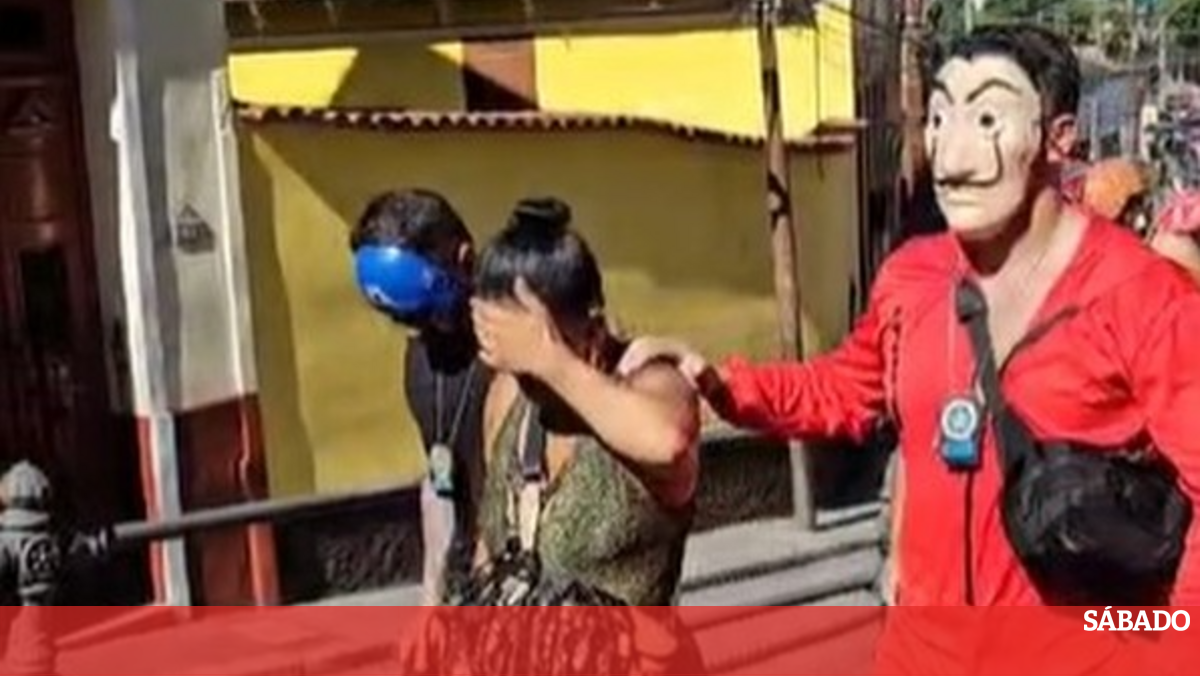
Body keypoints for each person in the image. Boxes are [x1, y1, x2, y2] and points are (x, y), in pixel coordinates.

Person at [620, 23, 1200, 673]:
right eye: (939, 118)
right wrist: (720, 381)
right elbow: (844, 388)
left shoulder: (1144, 294)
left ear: (1058, 138)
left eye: (986, 118)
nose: (950, 151)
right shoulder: (912, 276)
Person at [469, 197, 700, 603]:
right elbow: (491, 541)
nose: (527, 378)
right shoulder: (509, 395)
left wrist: (550, 361)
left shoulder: (653, 384)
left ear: (593, 335)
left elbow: (670, 443)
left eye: (531, 352)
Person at [349, 189, 490, 606]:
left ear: (465, 260)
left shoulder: (521, 349)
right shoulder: (420, 361)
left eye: (431, 313)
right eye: (405, 319)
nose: (422, 330)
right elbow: (440, 484)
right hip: (472, 588)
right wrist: (432, 601)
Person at [1079, 157, 1149, 228]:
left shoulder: (1117, 163)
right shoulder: (1129, 182)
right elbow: (1112, 210)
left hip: (1086, 188)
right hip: (1090, 206)